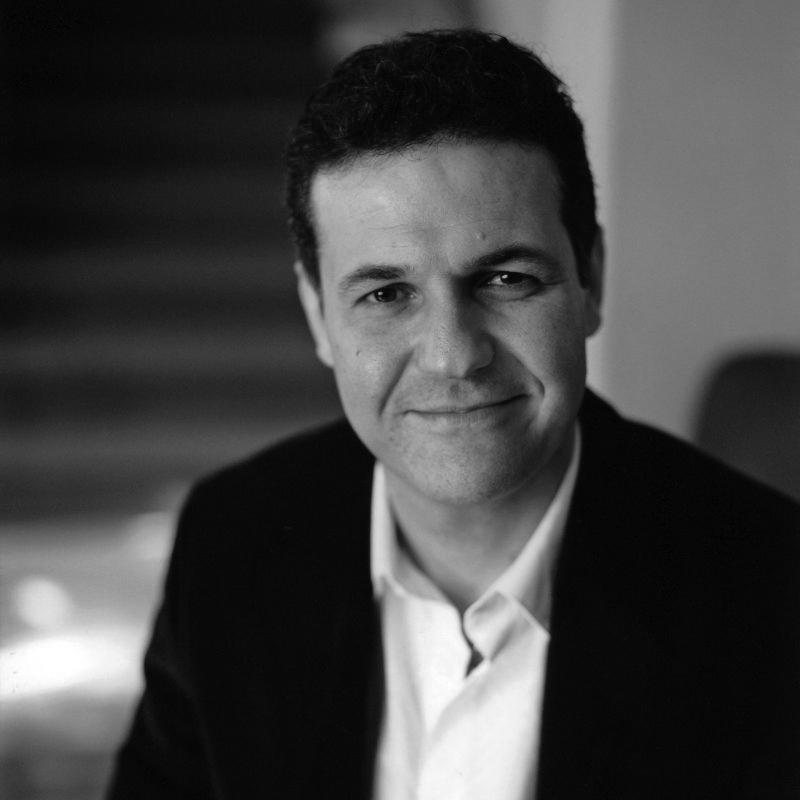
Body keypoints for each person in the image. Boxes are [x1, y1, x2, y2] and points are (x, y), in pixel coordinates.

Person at [106, 29, 800, 800]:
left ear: (591, 281)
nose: (452, 355)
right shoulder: (230, 541)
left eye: (506, 279)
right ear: (317, 315)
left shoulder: (775, 598)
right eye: (385, 294)